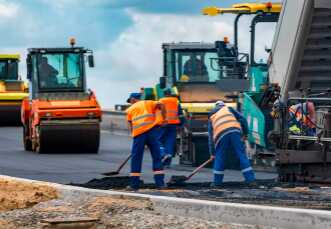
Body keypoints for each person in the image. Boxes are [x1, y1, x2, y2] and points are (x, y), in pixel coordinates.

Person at [208, 100, 255, 186]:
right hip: (235, 131)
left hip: (220, 134)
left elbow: (210, 137)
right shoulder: (228, 109)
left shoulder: (212, 116)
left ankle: (217, 182)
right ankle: (250, 180)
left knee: (220, 156)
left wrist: (212, 153)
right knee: (241, 154)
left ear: (215, 107)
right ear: (223, 105)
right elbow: (243, 119)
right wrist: (245, 133)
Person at [126, 92, 167, 190]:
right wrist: (164, 118)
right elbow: (162, 105)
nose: (130, 103)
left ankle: (134, 185)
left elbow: (130, 125)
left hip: (139, 135)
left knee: (136, 158)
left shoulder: (130, 109)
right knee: (157, 157)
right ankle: (160, 184)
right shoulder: (148, 103)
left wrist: (135, 138)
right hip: (152, 132)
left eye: (130, 101)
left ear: (133, 99)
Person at [158, 88, 185, 167]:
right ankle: (168, 161)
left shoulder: (161, 101)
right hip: (173, 124)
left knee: (158, 140)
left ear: (164, 94)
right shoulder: (176, 101)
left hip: (163, 124)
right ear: (170, 93)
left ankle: (163, 154)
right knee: (170, 141)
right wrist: (181, 124)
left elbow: (157, 113)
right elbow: (180, 114)